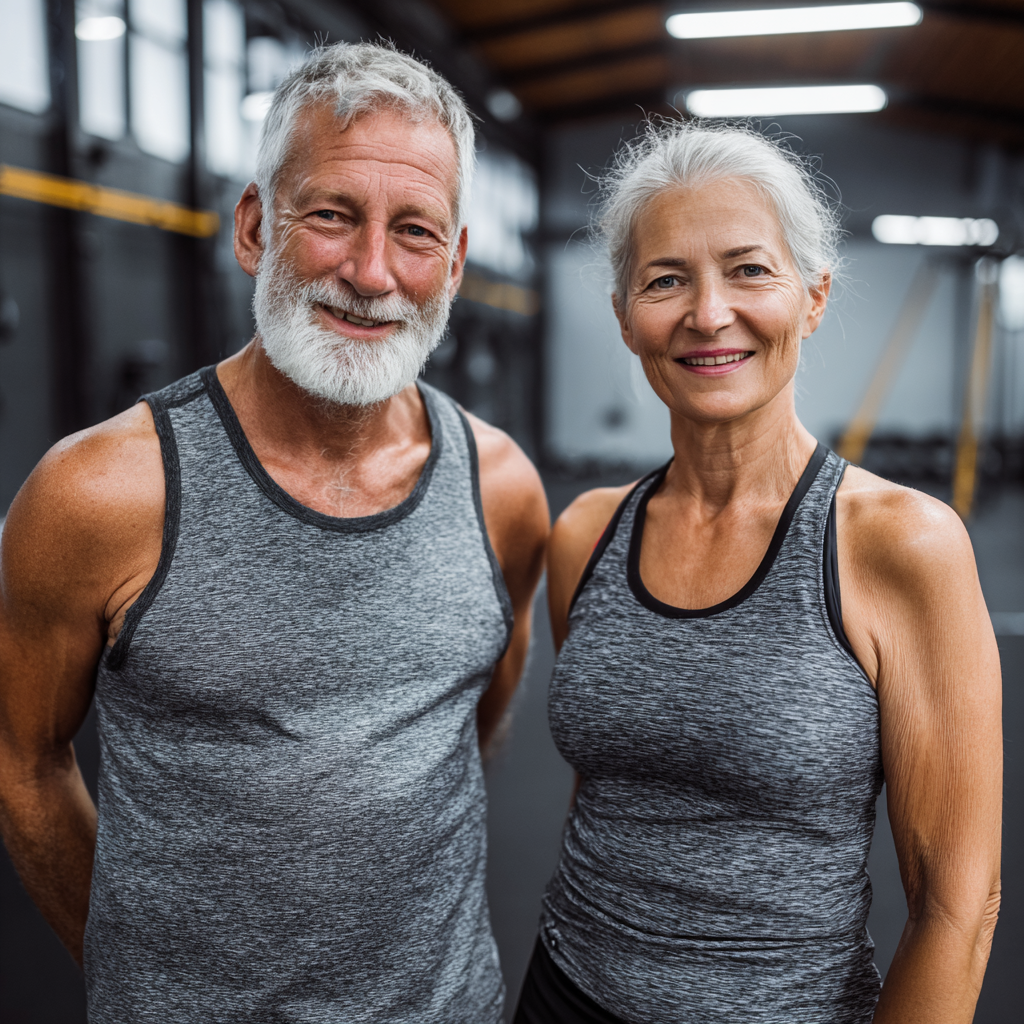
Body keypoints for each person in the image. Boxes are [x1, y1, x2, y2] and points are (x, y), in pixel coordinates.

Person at [0, 42, 548, 1022]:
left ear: (456, 262)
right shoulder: (97, 494)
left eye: (415, 231)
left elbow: (472, 721)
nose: (371, 272)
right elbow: (23, 760)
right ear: (255, 226)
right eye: (331, 215)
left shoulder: (501, 490)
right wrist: (144, 982)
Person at [514, 121, 1002, 1024]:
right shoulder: (588, 533)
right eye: (666, 280)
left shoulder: (900, 546)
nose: (707, 314)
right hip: (560, 993)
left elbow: (956, 909)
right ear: (625, 317)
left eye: (748, 270)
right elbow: (607, 786)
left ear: (813, 297)